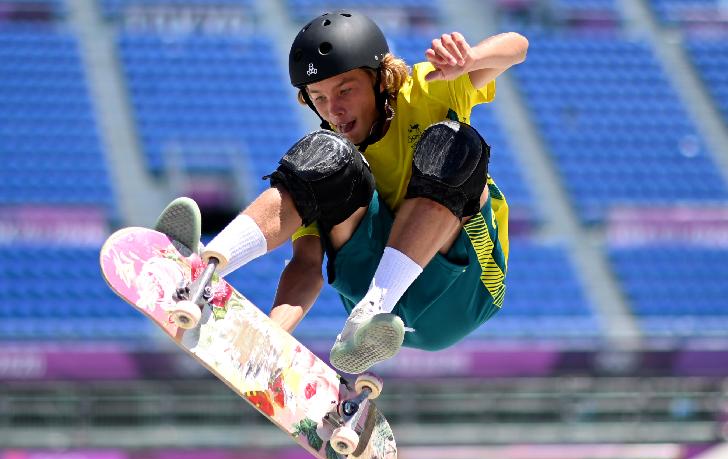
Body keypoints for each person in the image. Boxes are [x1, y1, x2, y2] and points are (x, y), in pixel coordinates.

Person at [156, 10, 528, 374]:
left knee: (453, 142)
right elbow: (306, 265)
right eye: (318, 98)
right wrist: (271, 334)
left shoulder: (427, 87)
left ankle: (373, 310)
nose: (334, 109)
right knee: (326, 156)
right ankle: (206, 263)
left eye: (345, 90)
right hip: (369, 288)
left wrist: (471, 59)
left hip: (460, 294)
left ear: (383, 79)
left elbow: (518, 46)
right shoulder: (331, 157)